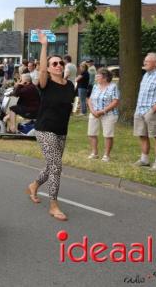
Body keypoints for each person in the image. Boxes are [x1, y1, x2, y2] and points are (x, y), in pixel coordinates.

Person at [26, 31, 76, 222]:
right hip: (45, 129)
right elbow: (43, 71)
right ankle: (53, 205)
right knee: (57, 167)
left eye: (60, 63)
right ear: (49, 67)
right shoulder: (45, 83)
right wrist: (44, 46)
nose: (58, 65)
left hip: (61, 130)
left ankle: (34, 185)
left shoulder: (70, 86)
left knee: (51, 166)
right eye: (54, 63)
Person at [87, 68, 119, 162]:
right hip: (94, 113)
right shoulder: (95, 86)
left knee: (108, 135)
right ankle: (94, 153)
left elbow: (115, 101)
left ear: (105, 78)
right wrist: (92, 111)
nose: (96, 77)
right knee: (92, 133)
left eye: (98, 75)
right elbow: (89, 99)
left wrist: (103, 111)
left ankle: (106, 155)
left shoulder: (113, 86)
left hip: (109, 114)